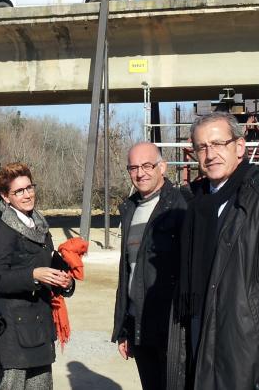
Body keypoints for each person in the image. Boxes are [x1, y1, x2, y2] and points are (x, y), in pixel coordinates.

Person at [170, 112, 259, 390]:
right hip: (200, 340)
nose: (210, 154)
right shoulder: (193, 205)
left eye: (219, 144)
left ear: (240, 147)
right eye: (202, 147)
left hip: (245, 352)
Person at [0, 162, 73, 390]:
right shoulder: (2, 230)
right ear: (6, 197)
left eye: (29, 187)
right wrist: (33, 275)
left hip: (40, 328)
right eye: (19, 191)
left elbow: (48, 266)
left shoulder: (39, 224)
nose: (27, 195)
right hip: (14, 332)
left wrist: (65, 281)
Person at [111, 142, 188, 390]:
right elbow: (128, 273)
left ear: (162, 167)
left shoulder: (182, 206)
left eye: (147, 165)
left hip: (172, 328)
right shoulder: (130, 208)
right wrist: (124, 327)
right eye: (133, 167)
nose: (140, 173)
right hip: (139, 324)